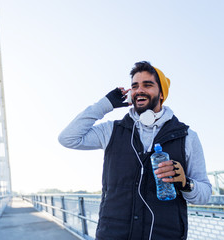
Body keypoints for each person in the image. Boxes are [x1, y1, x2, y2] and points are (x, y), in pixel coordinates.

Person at [58, 61, 212, 240]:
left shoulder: (187, 137)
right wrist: (104, 105)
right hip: (113, 235)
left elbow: (205, 195)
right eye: (135, 86)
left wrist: (185, 182)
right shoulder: (111, 130)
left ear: (162, 94)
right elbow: (68, 138)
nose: (139, 90)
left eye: (147, 85)